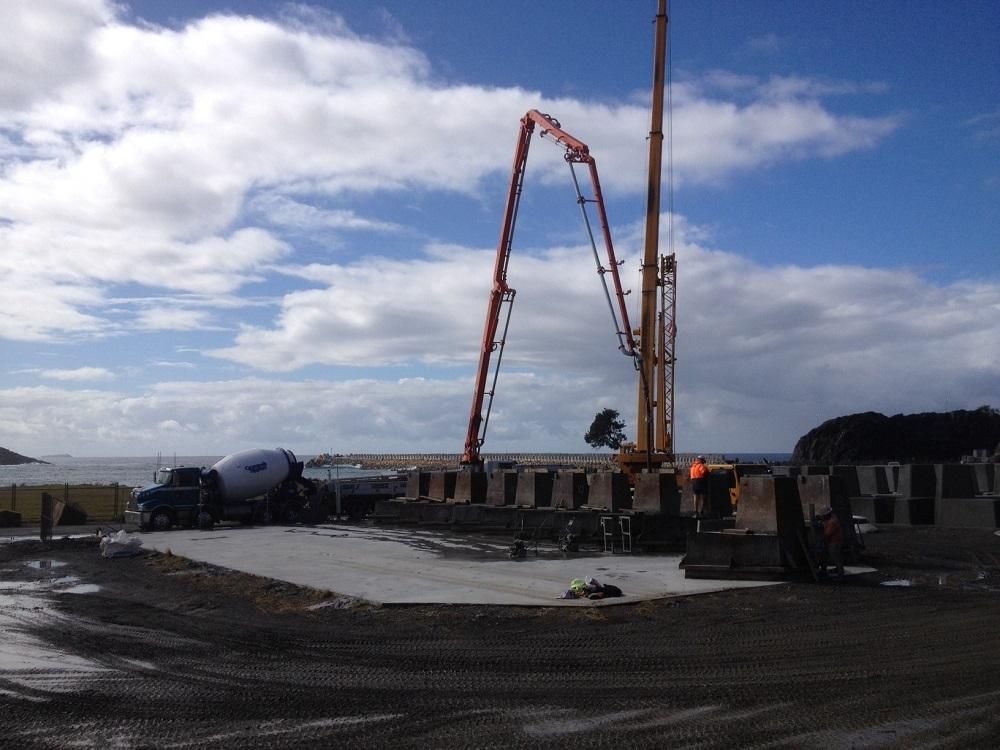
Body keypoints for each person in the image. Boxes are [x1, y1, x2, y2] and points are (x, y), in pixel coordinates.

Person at [816, 506, 845, 578]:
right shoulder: (831, 518)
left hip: (834, 542)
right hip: (834, 541)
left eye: (823, 515)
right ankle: (838, 570)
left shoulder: (832, 522)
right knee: (834, 557)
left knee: (836, 557)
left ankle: (840, 574)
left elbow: (827, 534)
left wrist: (820, 541)